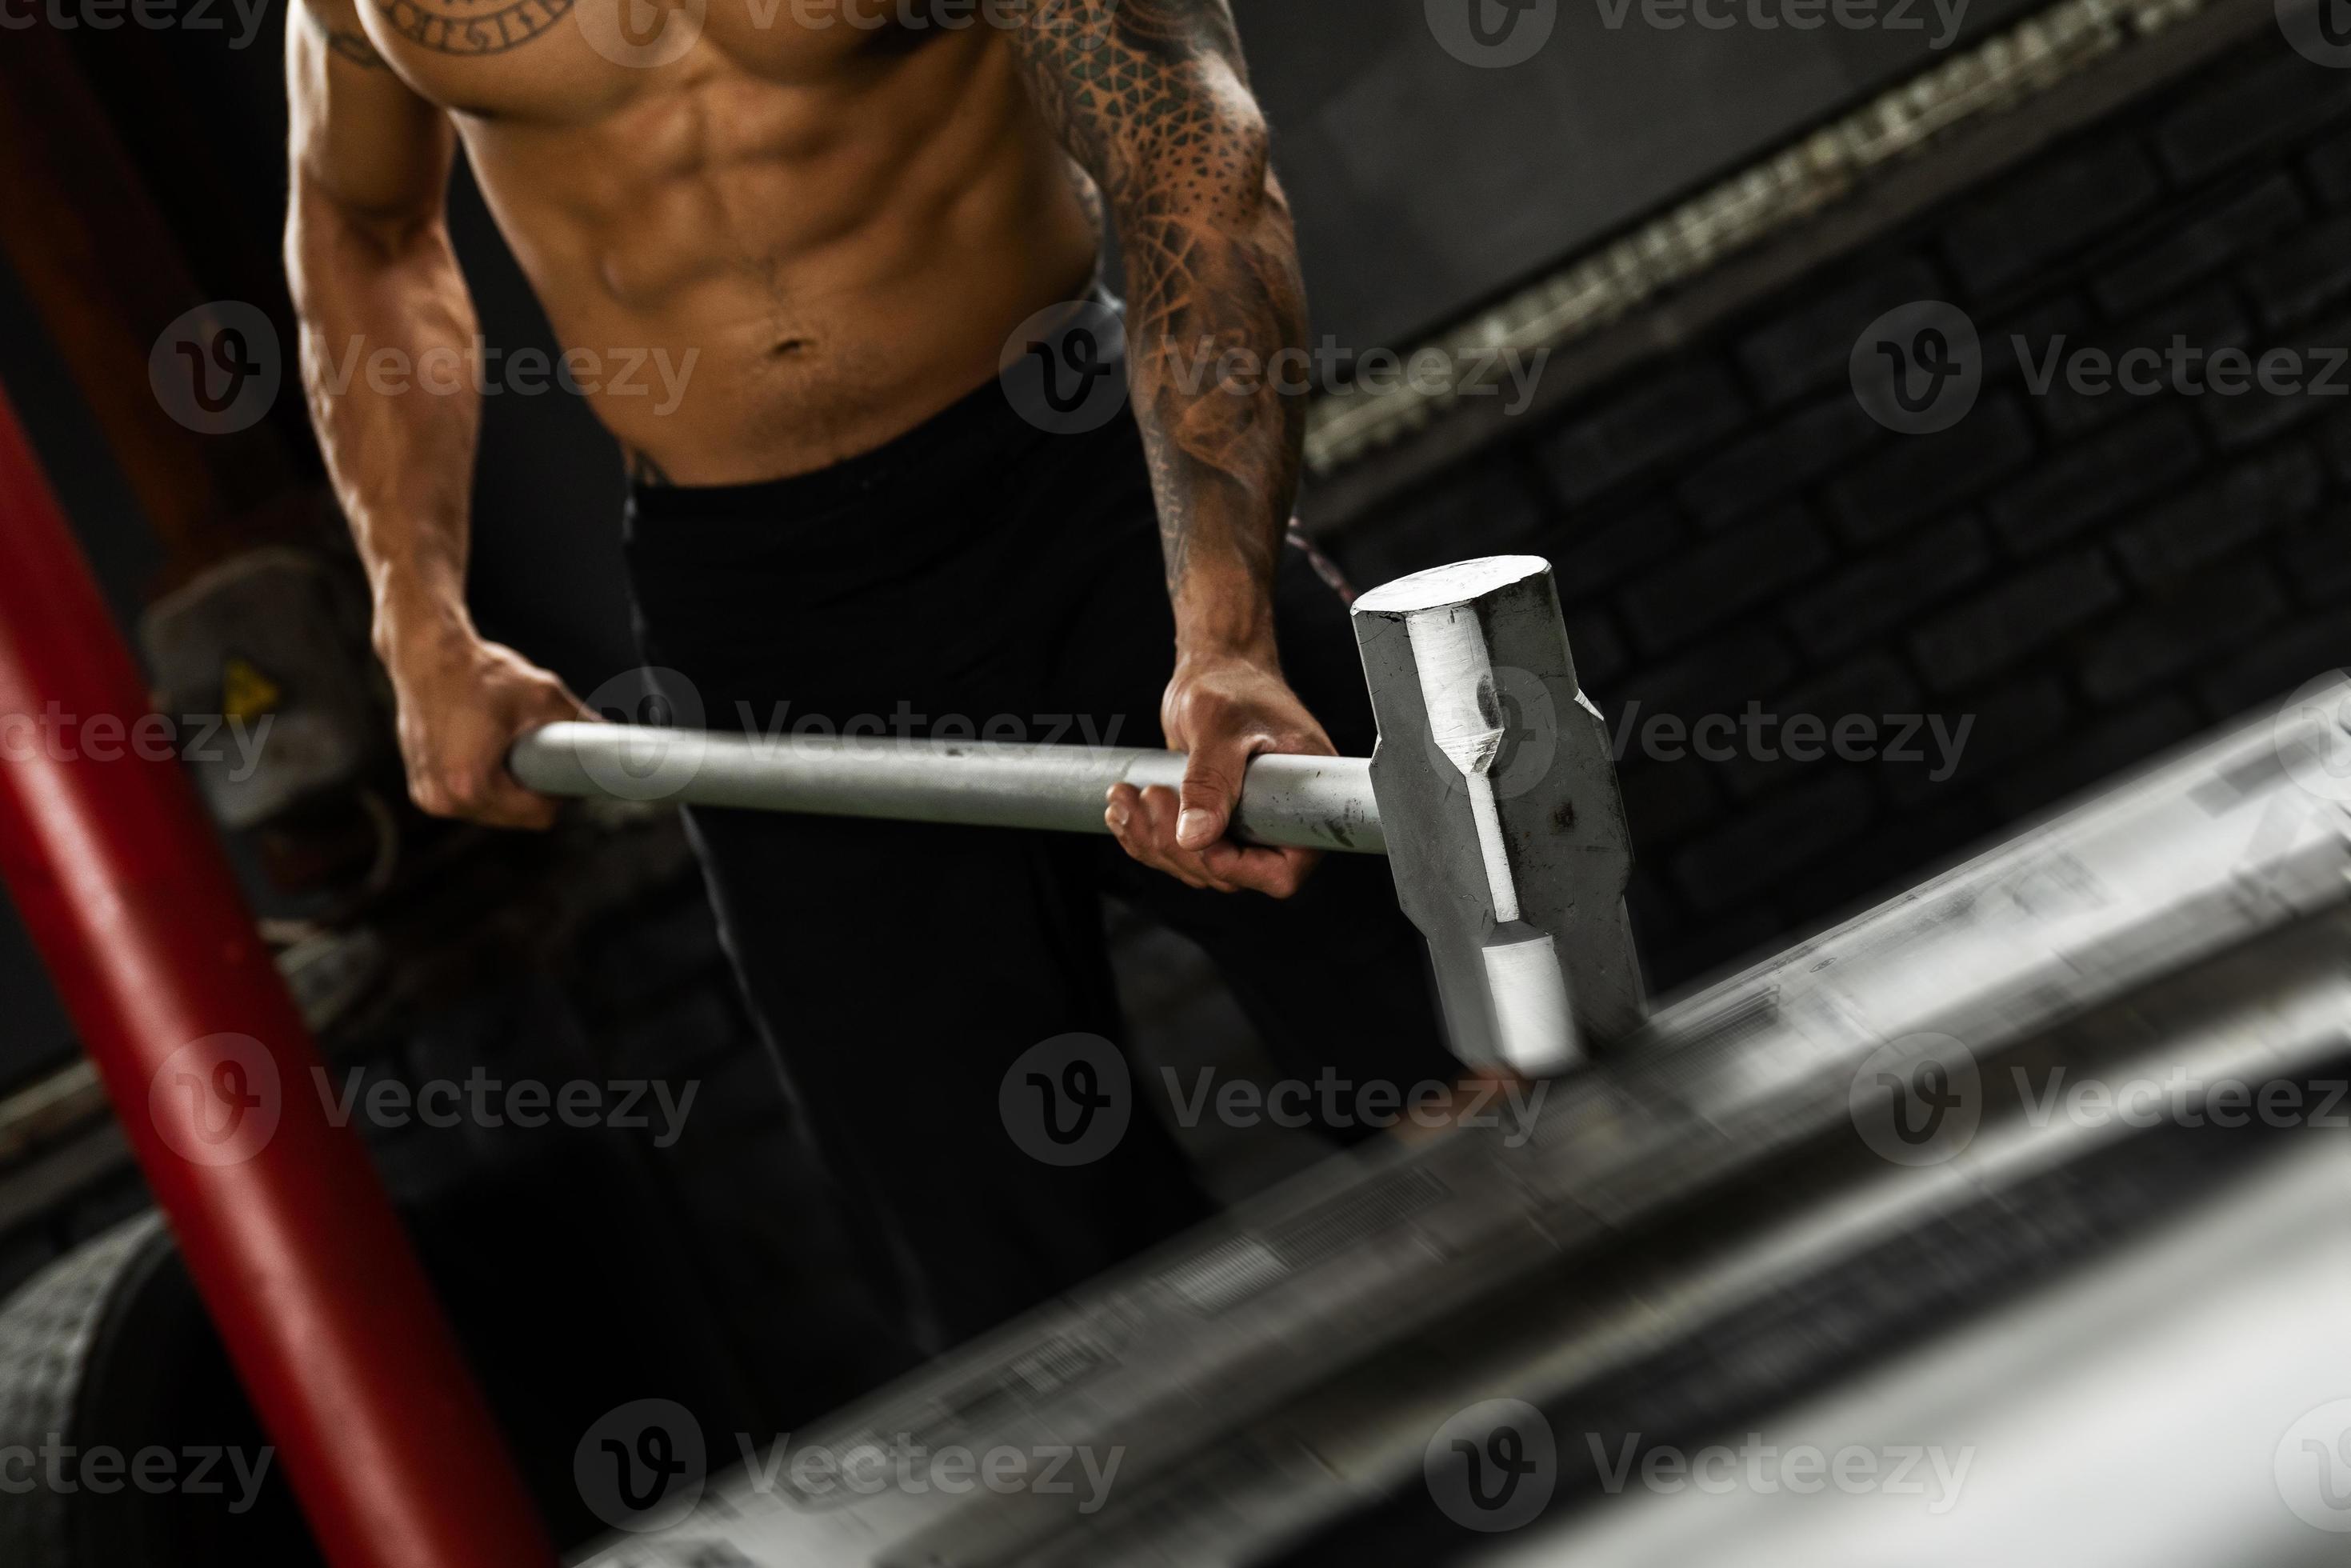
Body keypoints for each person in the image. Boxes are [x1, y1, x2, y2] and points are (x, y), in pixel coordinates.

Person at [286, 0, 1452, 1366]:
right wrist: (418, 624)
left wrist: (1226, 635)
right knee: (1022, 1298)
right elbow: (362, 227)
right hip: (765, 620)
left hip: (1094, 500)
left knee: (1461, 1059)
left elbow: (1190, 157)